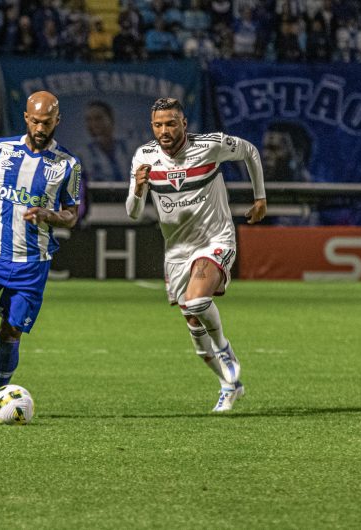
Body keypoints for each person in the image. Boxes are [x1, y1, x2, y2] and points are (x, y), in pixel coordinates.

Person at [126, 97, 266, 413]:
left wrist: (260, 198)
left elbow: (250, 152)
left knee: (197, 301)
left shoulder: (210, 146)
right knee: (192, 321)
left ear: (184, 124)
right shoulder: (144, 157)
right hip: (176, 251)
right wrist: (137, 189)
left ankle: (225, 348)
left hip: (215, 239)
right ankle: (229, 385)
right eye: (158, 124)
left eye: (171, 123)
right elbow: (133, 213)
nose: (164, 130)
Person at [0, 91, 82, 419]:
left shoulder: (67, 164)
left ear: (57, 121)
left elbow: (72, 215)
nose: (40, 127)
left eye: (47, 122)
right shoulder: (1, 149)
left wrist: (47, 215)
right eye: (35, 121)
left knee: (12, 334)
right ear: (26, 118)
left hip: (32, 264)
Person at [78, 101, 134, 182]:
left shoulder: (129, 150)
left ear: (111, 119)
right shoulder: (83, 155)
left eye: (98, 118)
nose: (93, 123)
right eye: (89, 120)